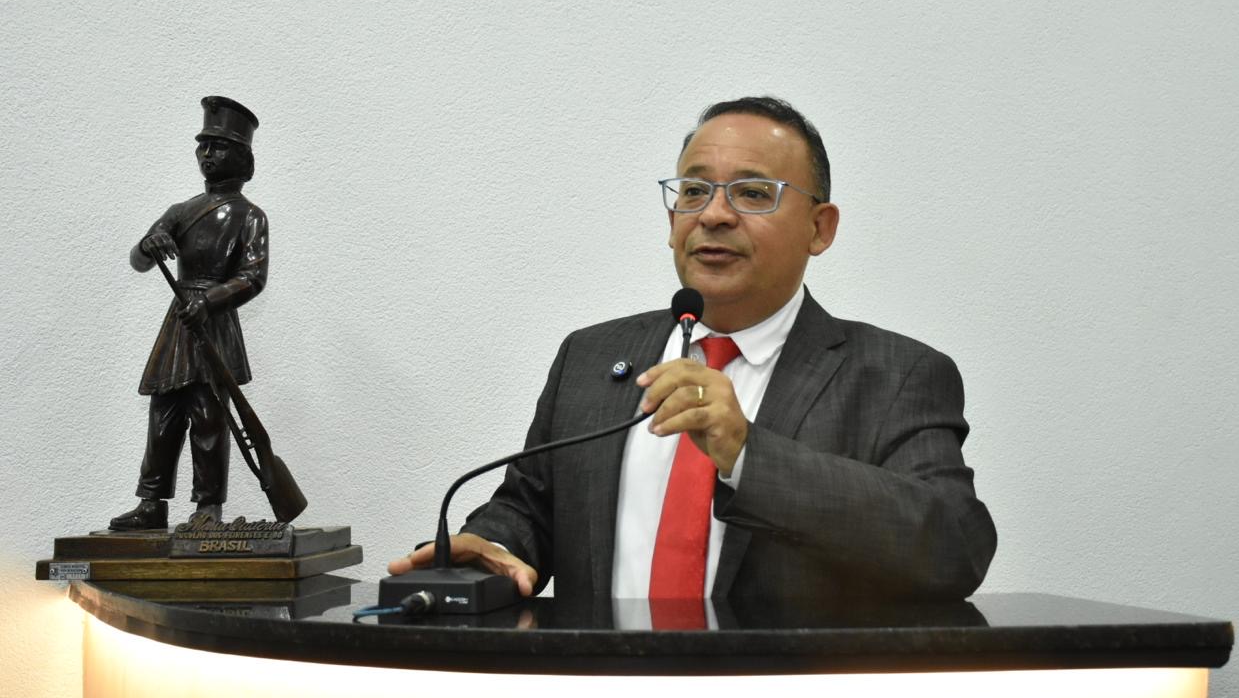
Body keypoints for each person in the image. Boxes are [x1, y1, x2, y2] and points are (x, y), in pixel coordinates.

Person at [389, 96, 996, 603]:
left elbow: (954, 548)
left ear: (820, 228)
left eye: (753, 193)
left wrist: (747, 455)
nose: (715, 215)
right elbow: (533, 508)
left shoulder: (894, 375)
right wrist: (495, 545)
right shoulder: (590, 356)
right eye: (695, 191)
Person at [109, 96, 268, 531]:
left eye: (218, 146)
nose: (207, 154)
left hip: (213, 323)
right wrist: (150, 244)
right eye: (203, 146)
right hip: (180, 322)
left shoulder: (250, 216)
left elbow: (253, 277)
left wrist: (211, 300)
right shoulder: (180, 212)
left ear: (241, 156)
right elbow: (138, 260)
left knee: (209, 416)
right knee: (163, 414)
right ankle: (151, 502)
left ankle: (207, 507)